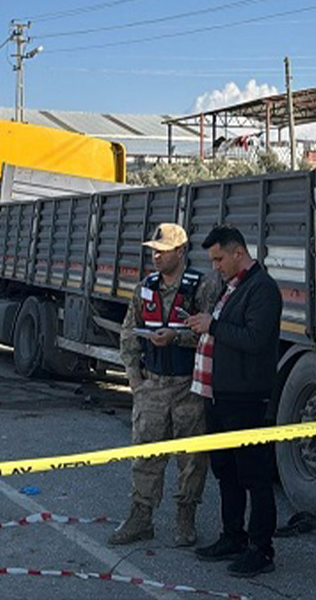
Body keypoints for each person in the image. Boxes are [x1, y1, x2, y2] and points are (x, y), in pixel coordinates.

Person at [109, 223, 220, 548]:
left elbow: (211, 332)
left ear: (181, 252)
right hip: (153, 385)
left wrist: (178, 337)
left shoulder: (203, 286)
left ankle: (186, 519)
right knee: (146, 455)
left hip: (189, 386)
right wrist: (134, 380)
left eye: (163, 250)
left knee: (192, 459)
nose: (155, 256)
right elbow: (129, 333)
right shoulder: (146, 288)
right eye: (153, 251)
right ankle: (140, 518)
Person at [187, 225, 283, 578]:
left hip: (245, 397)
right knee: (225, 470)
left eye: (219, 259)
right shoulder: (233, 287)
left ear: (237, 253)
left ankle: (261, 549)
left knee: (253, 474)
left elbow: (255, 339)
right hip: (219, 395)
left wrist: (211, 325)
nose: (216, 267)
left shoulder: (263, 289)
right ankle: (233, 536)